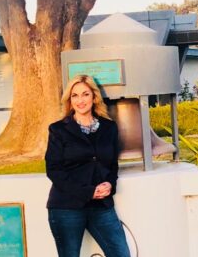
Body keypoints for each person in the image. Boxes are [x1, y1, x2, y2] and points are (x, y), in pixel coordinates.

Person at [45, 74, 131, 257]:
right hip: (67, 207)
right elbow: (54, 170)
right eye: (75, 95)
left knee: (121, 253)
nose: (80, 100)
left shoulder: (109, 127)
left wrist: (110, 184)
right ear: (69, 100)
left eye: (85, 94)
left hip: (101, 206)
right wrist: (88, 192)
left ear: (94, 97)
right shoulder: (58, 130)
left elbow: (112, 165)